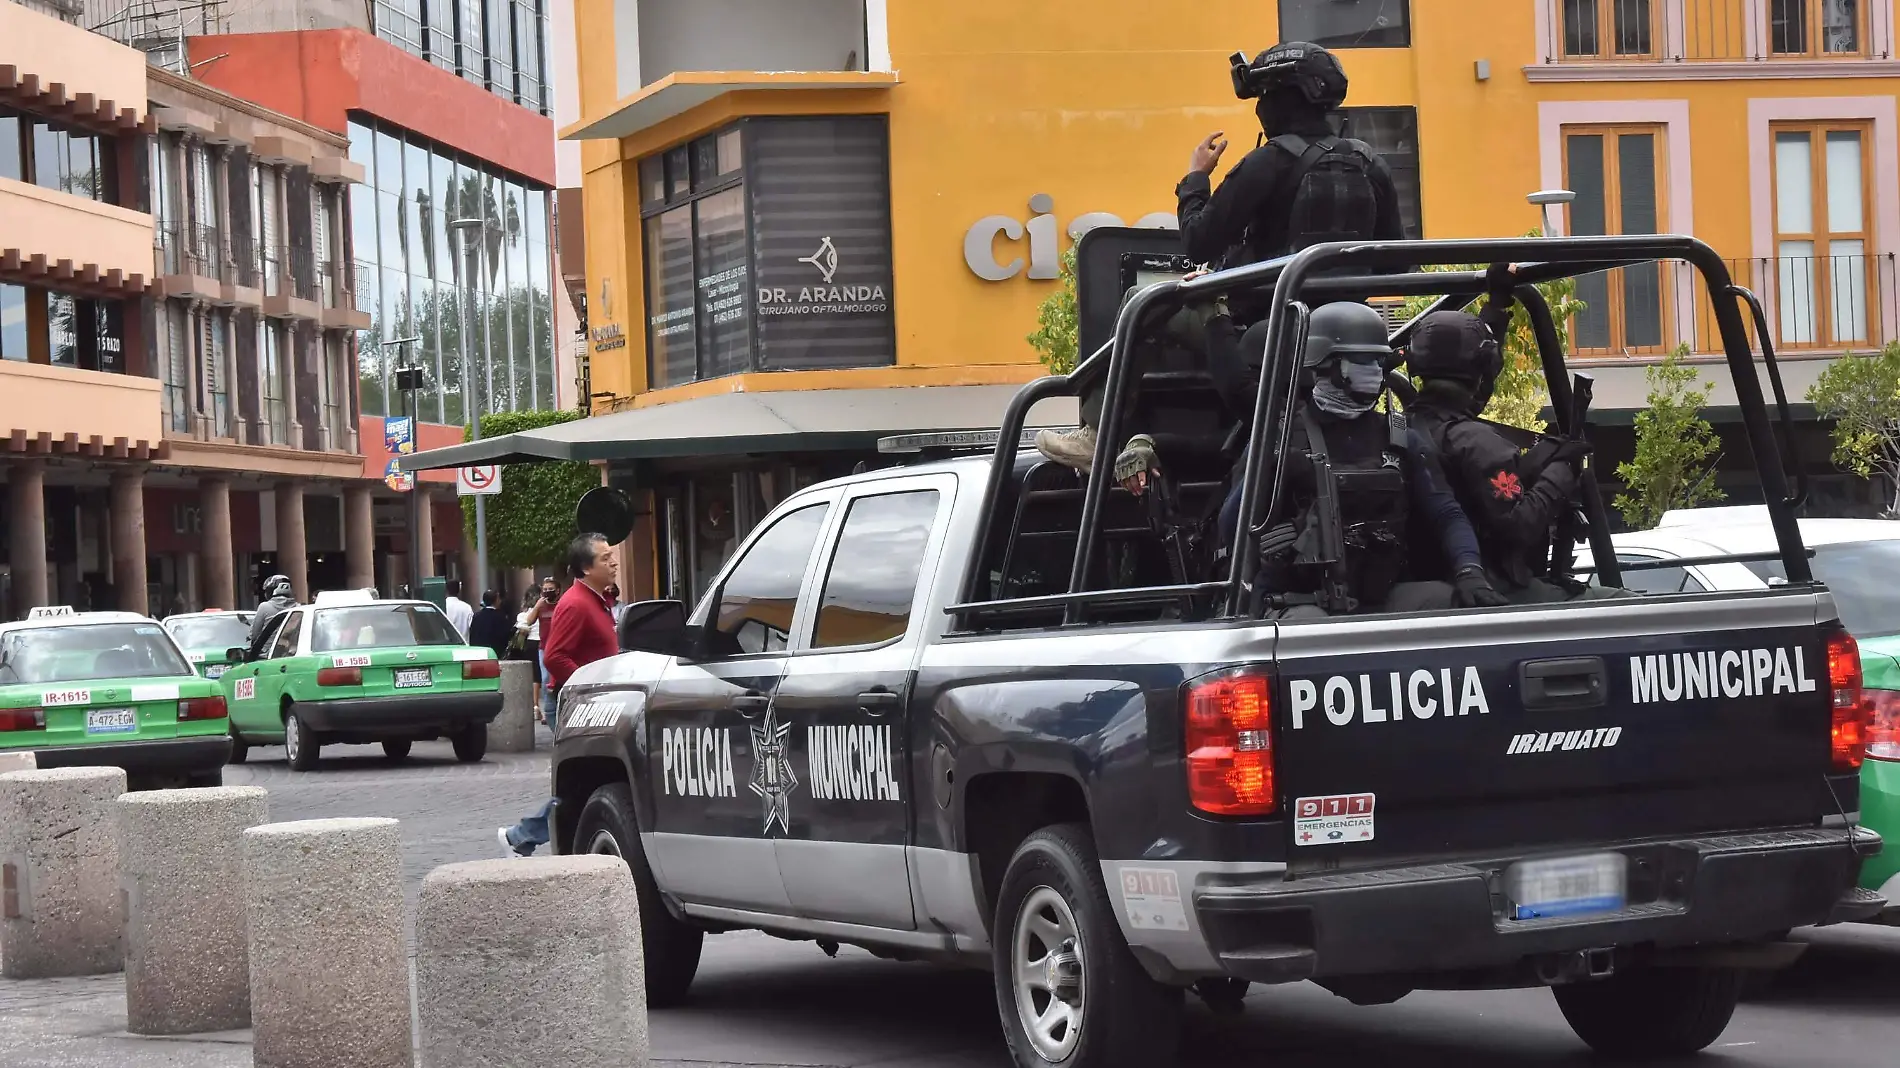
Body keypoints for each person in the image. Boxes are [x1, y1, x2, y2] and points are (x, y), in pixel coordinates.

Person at [1036, 42, 1403, 473]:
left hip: (1263, 332)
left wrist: (1195, 178)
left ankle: (1098, 434)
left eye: (1264, 96)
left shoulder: (1269, 162)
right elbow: (1394, 264)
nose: (1260, 107)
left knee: (1143, 302)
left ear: (1283, 97)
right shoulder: (1370, 163)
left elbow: (1196, 243)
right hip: (1343, 340)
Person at [1186, 301, 1504, 613]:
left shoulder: (1399, 438)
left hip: (1379, 596)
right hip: (1301, 602)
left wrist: (1469, 570)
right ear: (1325, 365)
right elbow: (1232, 524)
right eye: (1362, 361)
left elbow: (1446, 512)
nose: (1375, 373)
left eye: (1378, 362)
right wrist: (1273, 493)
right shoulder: (1284, 438)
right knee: (1309, 634)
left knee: (1448, 603)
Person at [1403, 283, 1605, 604]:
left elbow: (1465, 383)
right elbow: (1518, 526)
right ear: (1483, 368)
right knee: (1620, 598)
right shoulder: (1476, 442)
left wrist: (1496, 310)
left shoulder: (1408, 425)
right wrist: (1563, 471)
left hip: (1434, 582)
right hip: (1498, 590)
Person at [499, 533, 620, 857]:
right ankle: (521, 836)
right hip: (580, 704)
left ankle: (522, 837)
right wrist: (588, 688)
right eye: (605, 558)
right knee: (582, 782)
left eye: (612, 555)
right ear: (585, 568)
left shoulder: (597, 599)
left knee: (584, 783)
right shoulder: (575, 603)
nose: (614, 562)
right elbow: (554, 657)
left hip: (595, 703)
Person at [245, 574, 296, 654]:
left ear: (271, 591)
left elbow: (254, 634)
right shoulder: (298, 608)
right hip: (291, 652)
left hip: (268, 653)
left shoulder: (264, 607)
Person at [467, 589, 512, 660]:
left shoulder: (476, 616)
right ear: (496, 600)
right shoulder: (500, 617)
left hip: (479, 653)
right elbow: (505, 636)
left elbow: (472, 634)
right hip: (494, 654)